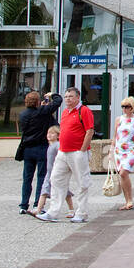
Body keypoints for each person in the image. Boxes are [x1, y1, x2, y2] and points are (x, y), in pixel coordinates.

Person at [36, 86, 93, 223]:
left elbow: (89, 130)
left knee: (82, 182)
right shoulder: (65, 112)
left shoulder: (84, 111)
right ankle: (53, 212)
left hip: (77, 152)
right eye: (66, 96)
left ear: (77, 97)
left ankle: (81, 213)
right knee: (56, 179)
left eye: (71, 96)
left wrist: (82, 150)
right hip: (63, 152)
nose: (68, 99)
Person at [17, 90, 54, 214]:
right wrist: (51, 96)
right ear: (38, 101)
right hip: (41, 147)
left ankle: (23, 204)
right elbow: (58, 102)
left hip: (28, 148)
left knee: (27, 177)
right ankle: (37, 204)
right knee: (41, 177)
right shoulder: (42, 112)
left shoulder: (23, 115)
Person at [112, 96, 134, 209]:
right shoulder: (119, 119)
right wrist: (111, 150)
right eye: (123, 107)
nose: (125, 109)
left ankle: (130, 199)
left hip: (131, 149)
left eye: (127, 107)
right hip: (119, 149)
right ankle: (127, 200)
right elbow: (115, 135)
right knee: (122, 174)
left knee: (123, 173)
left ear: (132, 107)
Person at [34, 124, 73, 218]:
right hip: (49, 172)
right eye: (48, 133)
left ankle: (71, 210)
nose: (49, 135)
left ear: (58, 135)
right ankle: (39, 209)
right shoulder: (50, 146)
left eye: (52, 133)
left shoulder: (57, 145)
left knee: (64, 191)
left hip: (56, 172)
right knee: (44, 190)